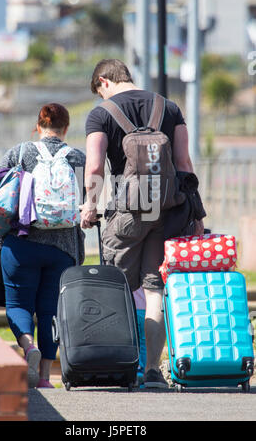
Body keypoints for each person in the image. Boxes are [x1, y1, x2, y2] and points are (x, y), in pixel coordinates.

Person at [80, 59, 204, 389]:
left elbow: (94, 168)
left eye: (98, 92)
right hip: (167, 211)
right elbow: (184, 164)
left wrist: (89, 206)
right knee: (155, 291)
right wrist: (197, 214)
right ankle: (152, 370)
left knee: (116, 289)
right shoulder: (169, 107)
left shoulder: (101, 114)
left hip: (126, 210)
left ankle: (121, 366)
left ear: (103, 82)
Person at [0, 103, 86, 389]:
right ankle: (46, 377)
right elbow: (89, 199)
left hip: (21, 242)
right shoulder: (77, 157)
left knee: (18, 305)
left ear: (39, 126)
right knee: (50, 310)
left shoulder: (20, 152)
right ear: (66, 128)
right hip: (63, 248)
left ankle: (28, 347)